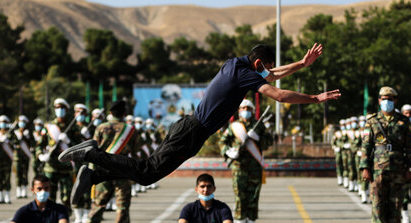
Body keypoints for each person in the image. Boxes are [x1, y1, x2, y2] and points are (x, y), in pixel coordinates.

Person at [59, 43, 340, 205]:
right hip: (192, 132)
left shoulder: (236, 66)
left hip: (188, 127)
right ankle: (90, 154)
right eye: (265, 66)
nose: (268, 71)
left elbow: (271, 75)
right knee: (146, 173)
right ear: (257, 63)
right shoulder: (247, 75)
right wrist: (315, 98)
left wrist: (301, 65)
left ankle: (93, 175)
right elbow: (278, 94)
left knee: (148, 172)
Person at [360, 86, 411, 223]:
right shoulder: (372, 121)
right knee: (378, 206)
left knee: (395, 206)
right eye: (384, 98)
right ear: (379, 101)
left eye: (390, 99)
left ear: (395, 101)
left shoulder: (403, 121)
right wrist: (365, 167)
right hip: (378, 171)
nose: (387, 102)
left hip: (398, 170)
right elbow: (366, 146)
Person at [81, 100, 139, 223]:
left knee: (98, 204)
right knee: (123, 205)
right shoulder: (130, 130)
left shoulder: (100, 127)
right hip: (122, 171)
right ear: (124, 113)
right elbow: (135, 153)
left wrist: (92, 172)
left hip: (102, 172)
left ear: (110, 113)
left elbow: (93, 150)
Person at [219, 98, 273, 223]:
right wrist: (229, 151)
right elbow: (223, 142)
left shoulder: (259, 126)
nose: (246, 111)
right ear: (239, 111)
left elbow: (268, 142)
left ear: (253, 111)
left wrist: (258, 138)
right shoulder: (234, 126)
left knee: (253, 196)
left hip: (255, 166)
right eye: (243, 109)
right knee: (240, 196)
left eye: (248, 109)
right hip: (239, 167)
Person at [37, 98, 79, 214]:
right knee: (49, 197)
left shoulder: (73, 127)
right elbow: (40, 144)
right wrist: (40, 155)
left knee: (67, 198)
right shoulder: (49, 126)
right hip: (51, 167)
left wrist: (69, 141)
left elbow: (79, 146)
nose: (59, 110)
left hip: (66, 167)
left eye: (62, 108)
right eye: (57, 108)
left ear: (66, 110)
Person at [72, 103, 93, 223]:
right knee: (75, 187)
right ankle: (77, 216)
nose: (79, 115)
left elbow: (96, 143)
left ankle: (85, 214)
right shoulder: (71, 129)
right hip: (75, 163)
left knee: (86, 187)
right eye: (77, 112)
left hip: (87, 162)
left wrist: (87, 136)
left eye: (82, 113)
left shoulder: (90, 128)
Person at [0, 115, 15, 204]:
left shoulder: (11, 134)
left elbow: (16, 144)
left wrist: (9, 141)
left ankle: (7, 196)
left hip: (7, 159)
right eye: (1, 122)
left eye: (4, 122)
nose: (2, 124)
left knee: (7, 177)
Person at [400, 104, 411, 223]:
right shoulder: (399, 128)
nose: (408, 115)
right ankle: (405, 216)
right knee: (404, 193)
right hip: (403, 165)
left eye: (410, 113)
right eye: (406, 113)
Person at [13, 115, 33, 199]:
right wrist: (18, 138)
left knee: (25, 173)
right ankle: (18, 190)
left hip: (25, 156)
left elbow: (32, 142)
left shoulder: (28, 133)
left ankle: (24, 190)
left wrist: (26, 137)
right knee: (18, 173)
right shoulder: (15, 133)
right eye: (20, 122)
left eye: (23, 122)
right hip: (17, 157)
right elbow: (12, 142)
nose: (21, 124)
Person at [332, 118, 347, 186]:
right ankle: (340, 178)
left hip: (345, 151)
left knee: (346, 165)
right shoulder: (337, 134)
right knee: (339, 165)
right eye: (342, 125)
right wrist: (335, 148)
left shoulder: (347, 133)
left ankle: (346, 179)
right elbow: (333, 143)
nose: (343, 126)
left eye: (344, 124)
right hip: (338, 152)